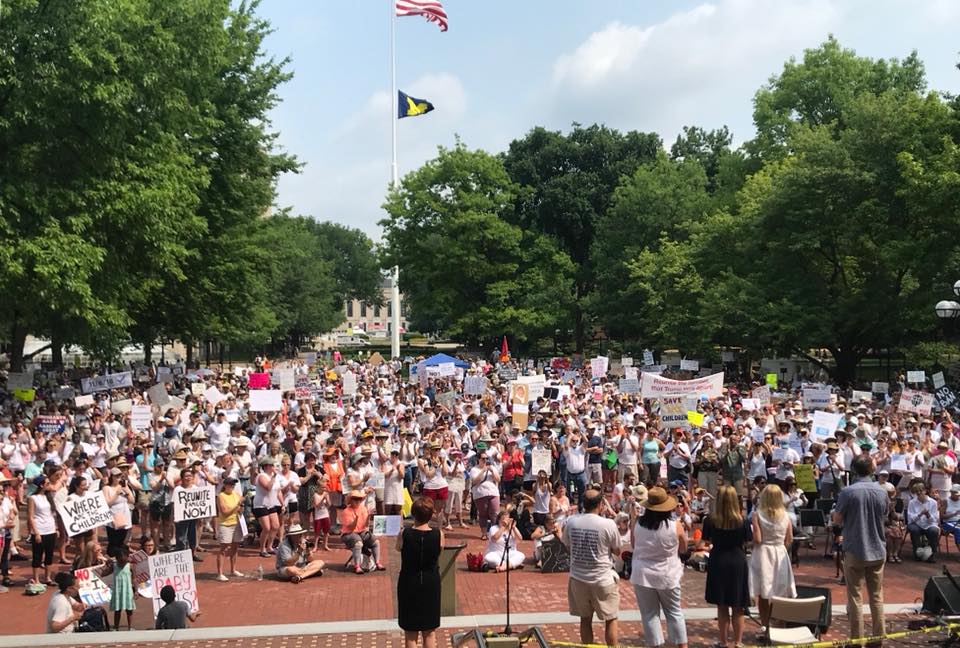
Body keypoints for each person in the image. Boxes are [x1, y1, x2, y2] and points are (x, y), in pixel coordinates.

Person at [833, 454, 887, 642]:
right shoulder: (882, 491)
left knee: (855, 596)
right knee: (876, 596)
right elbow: (884, 515)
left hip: (855, 548)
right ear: (872, 469)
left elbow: (837, 519)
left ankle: (857, 640)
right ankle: (878, 638)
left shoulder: (848, 492)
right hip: (878, 548)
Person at [629, 486, 688, 648]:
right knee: (674, 612)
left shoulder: (639, 523)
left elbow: (634, 545)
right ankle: (682, 645)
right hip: (668, 573)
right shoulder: (674, 524)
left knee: (649, 615)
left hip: (643, 574)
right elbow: (683, 548)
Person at [561, 487, 620, 647]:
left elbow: (567, 546)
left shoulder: (571, 522)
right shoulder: (608, 524)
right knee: (611, 618)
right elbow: (617, 550)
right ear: (601, 504)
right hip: (603, 578)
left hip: (578, 578)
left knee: (585, 619)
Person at [703, 485, 751, 648]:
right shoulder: (742, 520)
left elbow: (707, 541)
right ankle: (738, 642)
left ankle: (723, 641)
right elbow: (747, 541)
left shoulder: (711, 519)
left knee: (722, 605)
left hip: (718, 560)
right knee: (738, 605)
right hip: (737, 560)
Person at [397, 497, 444, 648]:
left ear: (413, 514)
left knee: (410, 632)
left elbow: (398, 548)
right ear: (431, 515)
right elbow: (440, 551)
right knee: (429, 631)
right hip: (430, 582)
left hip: (408, 582)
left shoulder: (405, 534)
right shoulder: (439, 534)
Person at [750, 484, 796, 629]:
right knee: (780, 590)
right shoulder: (786, 516)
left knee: (764, 593)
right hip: (780, 551)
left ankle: (765, 626)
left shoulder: (757, 514)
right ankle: (780, 625)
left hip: (763, 552)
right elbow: (789, 539)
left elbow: (757, 539)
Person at [341, 489, 384, 574]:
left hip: (361, 532)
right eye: (355, 499)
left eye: (359, 499)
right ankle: (357, 566)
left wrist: (368, 516)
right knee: (358, 543)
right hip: (349, 534)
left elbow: (366, 525)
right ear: (351, 500)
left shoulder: (363, 508)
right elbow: (351, 528)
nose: (358, 501)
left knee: (376, 542)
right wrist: (356, 519)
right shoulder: (346, 511)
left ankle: (377, 563)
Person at [28, 475, 57, 586]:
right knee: (37, 555)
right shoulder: (33, 498)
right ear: (41, 485)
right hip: (39, 530)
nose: (49, 485)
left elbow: (51, 513)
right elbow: (31, 516)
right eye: (47, 483)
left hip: (50, 529)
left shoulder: (49, 497)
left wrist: (56, 528)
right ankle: (36, 579)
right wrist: (36, 532)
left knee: (49, 555)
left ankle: (48, 578)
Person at [215, 477, 244, 581]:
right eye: (230, 484)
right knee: (224, 548)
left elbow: (240, 510)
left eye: (233, 485)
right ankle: (220, 573)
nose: (232, 487)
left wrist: (241, 507)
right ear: (225, 485)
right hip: (226, 524)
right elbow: (224, 512)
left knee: (235, 547)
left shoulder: (236, 495)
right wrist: (237, 505)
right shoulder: (221, 496)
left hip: (237, 523)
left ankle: (233, 569)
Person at [907, 483, 940, 562]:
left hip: (929, 524)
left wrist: (928, 515)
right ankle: (917, 553)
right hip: (916, 524)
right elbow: (910, 519)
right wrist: (920, 514)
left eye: (921, 491)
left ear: (925, 491)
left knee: (934, 531)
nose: (919, 493)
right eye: (917, 491)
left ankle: (932, 554)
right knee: (914, 530)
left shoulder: (933, 503)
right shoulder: (912, 502)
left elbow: (935, 520)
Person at [109, 547, 135, 631]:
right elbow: (103, 573)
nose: (122, 563)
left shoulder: (130, 566)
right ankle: (116, 627)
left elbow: (134, 579)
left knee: (129, 610)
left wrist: (137, 591)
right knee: (117, 610)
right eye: (120, 561)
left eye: (124, 560)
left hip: (127, 591)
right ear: (116, 559)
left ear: (128, 558)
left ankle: (130, 627)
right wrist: (107, 564)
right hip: (117, 591)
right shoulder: (114, 566)